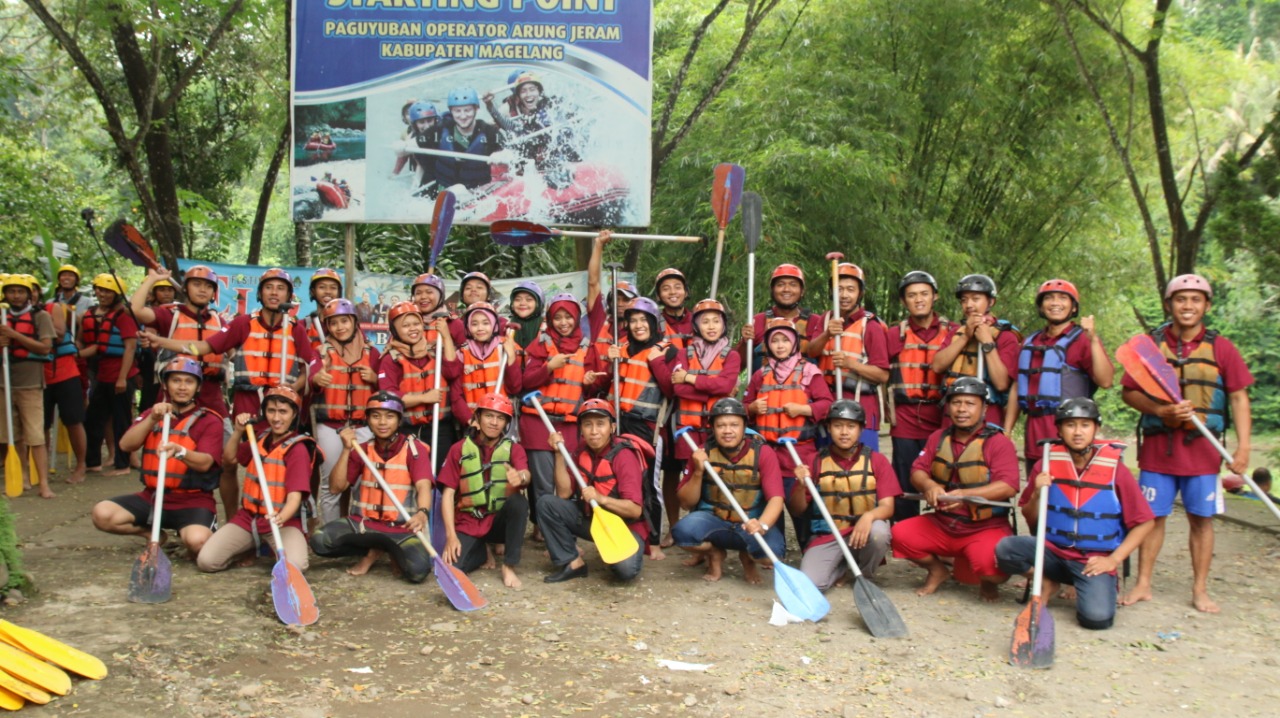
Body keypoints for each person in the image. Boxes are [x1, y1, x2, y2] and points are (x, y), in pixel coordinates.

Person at [1120, 274, 1252, 614]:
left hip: (1203, 451)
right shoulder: (1150, 345)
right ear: (1169, 304)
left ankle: (1200, 589)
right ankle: (1143, 584)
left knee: (1201, 519)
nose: (1188, 306)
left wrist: (1243, 448)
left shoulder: (1222, 347)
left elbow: (1238, 398)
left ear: (1206, 305)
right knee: (1151, 517)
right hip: (1158, 448)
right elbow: (1129, 392)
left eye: (1195, 300)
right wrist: (1161, 410)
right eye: (1181, 299)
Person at [142, 268, 316, 521]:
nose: (274, 293)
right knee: (231, 462)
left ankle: (286, 519)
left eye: (281, 288)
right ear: (260, 292)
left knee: (281, 463)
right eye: (269, 287)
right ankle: (238, 519)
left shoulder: (296, 329)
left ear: (289, 295)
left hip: (282, 409)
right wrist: (162, 342)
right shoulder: (242, 323)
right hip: (249, 403)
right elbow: (203, 347)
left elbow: (306, 370)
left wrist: (289, 392)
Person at [996, 398, 1154, 630]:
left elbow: (1145, 523)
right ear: (1059, 429)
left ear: (1096, 429)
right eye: (1070, 425)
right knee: (1006, 549)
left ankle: (1093, 585)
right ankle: (1047, 581)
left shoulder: (1116, 470)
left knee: (1096, 620)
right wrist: (1038, 493)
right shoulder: (1046, 464)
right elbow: (1030, 516)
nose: (1078, 432)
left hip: (1091, 560)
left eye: (1085, 425)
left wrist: (1113, 559)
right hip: (1053, 552)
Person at [892, 377, 1018, 602]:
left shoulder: (998, 442)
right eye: (956, 402)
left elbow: (1008, 486)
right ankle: (937, 570)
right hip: (943, 523)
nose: (961, 409)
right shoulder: (938, 437)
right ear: (948, 407)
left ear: (984, 408)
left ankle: (988, 583)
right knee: (899, 534)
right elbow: (917, 470)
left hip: (983, 526)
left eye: (970, 403)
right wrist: (929, 485)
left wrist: (967, 496)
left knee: (991, 569)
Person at [94, 357, 223, 557]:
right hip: (152, 498)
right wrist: (152, 418)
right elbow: (126, 445)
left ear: (198, 387)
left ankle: (190, 531)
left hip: (193, 500)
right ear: (165, 384)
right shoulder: (151, 414)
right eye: (176, 381)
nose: (182, 387)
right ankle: (152, 535)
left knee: (197, 543)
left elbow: (206, 462)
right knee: (102, 514)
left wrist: (180, 451)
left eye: (188, 382)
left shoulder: (210, 420)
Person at [310, 392, 433, 581]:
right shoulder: (362, 449)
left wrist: (422, 513)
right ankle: (377, 549)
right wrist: (346, 449)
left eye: (389, 416)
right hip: (364, 526)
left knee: (417, 572)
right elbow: (336, 487)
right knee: (319, 541)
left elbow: (424, 486)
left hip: (400, 528)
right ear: (367, 420)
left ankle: (383, 549)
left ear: (399, 421)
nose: (382, 422)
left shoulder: (413, 449)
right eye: (376, 416)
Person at [198, 387, 314, 573]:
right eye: (271, 411)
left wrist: (280, 517)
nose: (276, 418)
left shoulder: (298, 449)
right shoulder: (259, 438)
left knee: (295, 567)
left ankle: (267, 547)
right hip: (249, 519)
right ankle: (251, 545)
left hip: (283, 522)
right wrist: (237, 432)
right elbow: (229, 459)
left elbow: (295, 498)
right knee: (207, 561)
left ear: (294, 415)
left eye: (283, 412)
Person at [672, 397, 786, 584]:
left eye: (734, 425)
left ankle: (747, 558)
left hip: (750, 521)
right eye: (721, 425)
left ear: (744, 427)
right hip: (714, 520)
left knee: (771, 555)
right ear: (713, 428)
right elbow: (686, 503)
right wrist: (698, 472)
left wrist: (762, 525)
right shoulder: (702, 452)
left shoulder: (763, 452)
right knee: (682, 533)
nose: (727, 431)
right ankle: (714, 553)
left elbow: (776, 498)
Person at [789, 399, 899, 589]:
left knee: (879, 532)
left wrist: (869, 516)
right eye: (838, 426)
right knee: (811, 584)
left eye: (851, 426)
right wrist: (800, 485)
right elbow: (798, 510)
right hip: (828, 534)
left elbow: (888, 507)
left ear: (861, 430)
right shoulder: (814, 461)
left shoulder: (877, 461)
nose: (844, 432)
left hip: (863, 534)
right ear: (829, 428)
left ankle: (863, 575)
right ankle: (840, 568)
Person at [519, 293, 607, 530]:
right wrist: (548, 366)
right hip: (538, 423)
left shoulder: (587, 347)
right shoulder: (540, 343)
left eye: (568, 317)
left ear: (577, 318)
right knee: (542, 483)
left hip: (569, 424)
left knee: (565, 483)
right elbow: (526, 381)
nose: (563, 322)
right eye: (557, 317)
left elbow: (592, 391)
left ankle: (559, 526)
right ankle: (542, 527)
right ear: (550, 319)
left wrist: (589, 383)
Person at [1009, 279, 1115, 474]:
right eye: (1048, 298)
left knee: (1067, 497)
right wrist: (1007, 432)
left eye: (1063, 298)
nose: (1055, 302)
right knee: (1036, 495)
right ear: (1041, 306)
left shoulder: (1082, 339)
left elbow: (1106, 380)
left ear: (1073, 307)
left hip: (1071, 438)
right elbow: (1018, 386)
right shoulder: (1030, 342)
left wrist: (1093, 340)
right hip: (1035, 437)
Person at [540, 399, 648, 583]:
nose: (594, 431)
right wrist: (559, 454)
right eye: (588, 425)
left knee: (625, 572)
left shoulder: (624, 456)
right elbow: (564, 494)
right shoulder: (580, 451)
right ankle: (573, 563)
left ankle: (617, 553)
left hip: (623, 527)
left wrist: (601, 498)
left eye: (600, 424)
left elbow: (635, 510)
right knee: (547, 504)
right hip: (592, 521)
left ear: (612, 427)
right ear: (581, 429)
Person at [746, 317, 832, 547]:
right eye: (775, 341)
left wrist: (804, 409)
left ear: (795, 343)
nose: (781, 345)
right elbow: (743, 409)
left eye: (786, 340)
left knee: (802, 501)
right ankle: (774, 547)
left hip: (801, 452)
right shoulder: (760, 374)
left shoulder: (809, 371)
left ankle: (808, 546)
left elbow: (827, 404)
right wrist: (752, 408)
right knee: (769, 498)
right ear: (768, 344)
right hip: (769, 453)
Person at [604, 297, 675, 559]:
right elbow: (605, 384)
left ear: (654, 322)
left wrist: (657, 362)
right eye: (633, 320)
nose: (638, 325)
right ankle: (623, 535)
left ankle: (653, 541)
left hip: (648, 427)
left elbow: (671, 389)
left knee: (649, 485)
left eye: (644, 320)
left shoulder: (667, 350)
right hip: (617, 423)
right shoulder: (618, 348)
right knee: (620, 481)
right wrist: (607, 361)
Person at [438, 392, 530, 588]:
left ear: (506, 423)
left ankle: (509, 565)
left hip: (498, 522)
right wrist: (451, 536)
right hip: (469, 521)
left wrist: (520, 476)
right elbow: (448, 494)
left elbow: (525, 474)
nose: (494, 423)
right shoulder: (458, 449)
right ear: (477, 418)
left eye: (500, 418)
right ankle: (480, 552)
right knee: (452, 569)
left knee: (519, 502)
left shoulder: (514, 449)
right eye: (489, 416)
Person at [668, 299, 741, 546]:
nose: (711, 326)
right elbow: (678, 390)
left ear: (724, 325)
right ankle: (695, 536)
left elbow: (726, 385)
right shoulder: (683, 353)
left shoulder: (731, 355)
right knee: (692, 482)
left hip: (718, 432)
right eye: (705, 321)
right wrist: (713, 390)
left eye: (716, 321)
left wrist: (690, 377)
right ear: (696, 326)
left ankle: (716, 538)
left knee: (717, 482)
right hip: (689, 432)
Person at [886, 271, 956, 522]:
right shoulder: (894, 334)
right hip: (905, 416)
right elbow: (880, 369)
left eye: (924, 294)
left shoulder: (954, 331)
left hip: (942, 416)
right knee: (904, 476)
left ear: (935, 296)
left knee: (944, 472)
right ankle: (905, 529)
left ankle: (944, 525)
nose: (918, 299)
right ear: (904, 302)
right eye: (912, 295)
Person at [804, 262, 890, 451]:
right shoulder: (825, 319)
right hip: (828, 408)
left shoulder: (871, 326)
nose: (844, 295)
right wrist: (827, 334)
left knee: (863, 471)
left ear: (860, 293)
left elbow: (883, 375)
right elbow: (811, 351)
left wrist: (850, 363)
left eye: (850, 289)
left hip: (861, 409)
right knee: (827, 470)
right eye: (839, 289)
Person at [309, 298, 380, 524]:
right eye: (333, 323)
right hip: (331, 425)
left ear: (354, 322)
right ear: (327, 326)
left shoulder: (373, 353)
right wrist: (317, 379)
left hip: (363, 427)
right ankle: (330, 536)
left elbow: (387, 389)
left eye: (344, 321)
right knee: (331, 484)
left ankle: (360, 532)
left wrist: (375, 379)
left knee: (363, 481)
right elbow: (311, 382)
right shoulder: (320, 352)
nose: (339, 327)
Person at [131, 267, 228, 417]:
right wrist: (151, 279)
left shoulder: (219, 321)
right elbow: (135, 310)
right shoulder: (169, 315)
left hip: (211, 392)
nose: (203, 290)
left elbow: (233, 351)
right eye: (196, 284)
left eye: (208, 286)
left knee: (225, 436)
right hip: (176, 391)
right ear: (185, 288)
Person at [931, 274, 1021, 427]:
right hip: (952, 414)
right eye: (964, 300)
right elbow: (937, 366)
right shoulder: (955, 333)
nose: (969, 305)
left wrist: (987, 341)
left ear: (991, 301)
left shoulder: (1006, 336)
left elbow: (1001, 384)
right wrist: (966, 336)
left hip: (988, 415)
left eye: (975, 298)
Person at [378, 301, 459, 454]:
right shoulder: (390, 359)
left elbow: (452, 372)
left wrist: (447, 338)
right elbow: (388, 398)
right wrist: (424, 398)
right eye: (405, 325)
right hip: (406, 428)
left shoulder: (434, 351)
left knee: (439, 475)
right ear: (395, 330)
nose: (413, 329)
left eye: (416, 323)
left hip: (439, 427)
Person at [0, 275, 55, 497]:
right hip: (4, 384)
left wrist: (14, 335)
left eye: (20, 292)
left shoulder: (40, 316)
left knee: (36, 436)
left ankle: (43, 483)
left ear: (28, 294)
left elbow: (45, 348)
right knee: (13, 435)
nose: (16, 296)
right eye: (11, 291)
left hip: (30, 384)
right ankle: (22, 478)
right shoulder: (1, 316)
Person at [79, 273, 139, 477]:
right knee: (94, 419)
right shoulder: (100, 315)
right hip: (103, 374)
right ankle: (92, 462)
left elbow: (130, 348)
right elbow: (95, 346)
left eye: (107, 291)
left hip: (120, 376)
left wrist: (122, 378)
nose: (102, 294)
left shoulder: (124, 317)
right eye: (100, 290)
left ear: (116, 295)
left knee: (122, 421)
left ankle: (123, 465)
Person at [483, 69, 581, 185]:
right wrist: (489, 105)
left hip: (563, 161)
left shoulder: (554, 108)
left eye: (532, 89)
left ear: (539, 92)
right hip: (541, 167)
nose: (528, 94)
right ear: (519, 96)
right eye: (523, 91)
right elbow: (504, 123)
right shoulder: (525, 123)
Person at [42, 276, 88, 485]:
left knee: (73, 421)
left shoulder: (53, 308)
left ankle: (81, 466)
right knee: (40, 425)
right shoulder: (12, 315)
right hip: (39, 377)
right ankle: (39, 469)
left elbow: (59, 335)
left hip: (66, 374)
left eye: (31, 291)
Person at [449, 301, 520, 427]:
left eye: (486, 323)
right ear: (467, 327)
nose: (480, 328)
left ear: (494, 324)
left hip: (501, 421)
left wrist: (511, 357)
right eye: (474, 324)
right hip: (474, 421)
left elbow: (515, 387)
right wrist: (469, 420)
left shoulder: (506, 347)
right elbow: (456, 394)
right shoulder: (462, 353)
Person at [738, 263, 814, 374]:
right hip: (764, 388)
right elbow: (738, 366)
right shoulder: (758, 321)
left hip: (803, 389)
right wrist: (745, 342)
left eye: (793, 285)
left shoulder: (815, 321)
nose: (786, 289)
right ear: (773, 290)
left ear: (802, 291)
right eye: (780, 284)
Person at [436, 87, 498, 190]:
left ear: (476, 109)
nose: (463, 116)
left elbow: (508, 151)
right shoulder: (441, 129)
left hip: (479, 191)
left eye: (467, 110)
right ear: (451, 111)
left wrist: (501, 154)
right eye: (457, 111)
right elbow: (413, 144)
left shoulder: (489, 131)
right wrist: (402, 146)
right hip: (445, 191)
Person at [395, 101, 440, 190]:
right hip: (429, 171)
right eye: (421, 122)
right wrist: (415, 185)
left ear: (435, 120)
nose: (427, 126)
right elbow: (421, 163)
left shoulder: (443, 132)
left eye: (430, 121)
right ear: (415, 124)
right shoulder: (411, 138)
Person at [302, 269, 343, 353]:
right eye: (322, 287)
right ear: (313, 291)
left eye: (333, 288)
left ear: (339, 292)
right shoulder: (303, 326)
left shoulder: (350, 327)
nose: (328, 292)